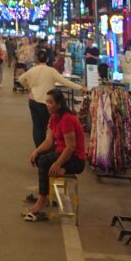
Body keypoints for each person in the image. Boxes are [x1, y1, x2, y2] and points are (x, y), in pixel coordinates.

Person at [24, 88, 86, 220]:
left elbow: (71, 147)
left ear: (59, 104)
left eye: (50, 102)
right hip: (62, 152)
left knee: (44, 161)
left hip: (75, 159)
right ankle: (44, 195)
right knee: (39, 158)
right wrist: (36, 151)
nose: (47, 105)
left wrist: (58, 164)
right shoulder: (53, 117)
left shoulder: (67, 119)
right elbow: (48, 141)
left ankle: (42, 199)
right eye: (46, 102)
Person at [19, 48, 83, 146]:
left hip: (33, 100)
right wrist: (80, 87)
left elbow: (21, 79)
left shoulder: (32, 70)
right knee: (48, 126)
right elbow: (65, 82)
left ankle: (38, 147)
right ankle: (47, 146)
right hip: (47, 102)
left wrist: (29, 88)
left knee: (37, 126)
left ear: (36, 59)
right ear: (47, 59)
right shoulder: (51, 71)